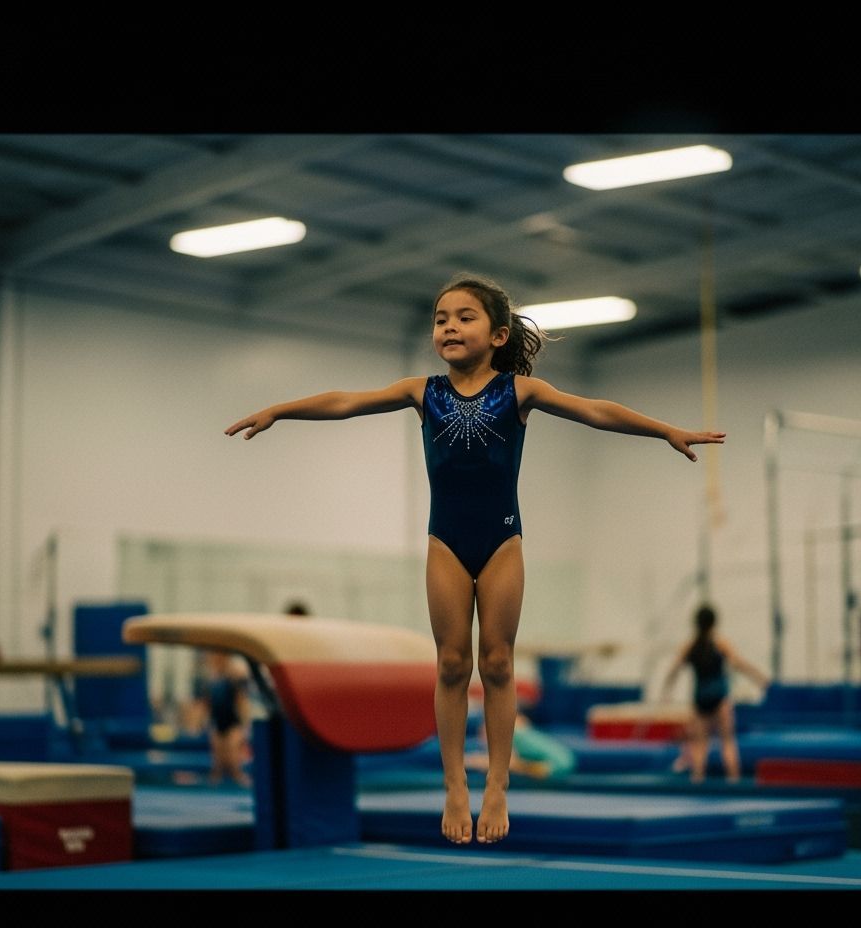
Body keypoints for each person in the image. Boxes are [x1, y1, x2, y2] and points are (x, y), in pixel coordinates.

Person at [225, 271, 725, 844]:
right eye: (441, 319)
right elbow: (347, 401)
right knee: (450, 664)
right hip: (446, 542)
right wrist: (279, 410)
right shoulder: (423, 391)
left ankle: (498, 786)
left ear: (498, 334)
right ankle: (456, 785)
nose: (449, 327)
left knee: (500, 663)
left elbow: (595, 410)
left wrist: (665, 431)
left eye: (464, 317)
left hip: (502, 542)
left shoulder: (518, 391)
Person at [661, 604, 769, 783]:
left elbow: (674, 670)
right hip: (720, 699)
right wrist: (759, 678)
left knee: (700, 745)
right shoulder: (720, 644)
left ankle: (698, 779)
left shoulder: (690, 646)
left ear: (696, 624)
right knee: (727, 742)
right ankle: (733, 780)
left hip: (700, 700)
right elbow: (738, 663)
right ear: (714, 623)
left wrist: (667, 690)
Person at [465, 711, 576, 781]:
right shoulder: (517, 729)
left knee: (510, 767)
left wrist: (473, 761)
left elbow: (508, 764)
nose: (482, 738)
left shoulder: (514, 734)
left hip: (558, 766)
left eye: (483, 732)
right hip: (564, 760)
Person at [201, 649, 253, 787]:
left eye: (217, 657)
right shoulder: (211, 678)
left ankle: (241, 781)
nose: (213, 660)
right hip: (218, 722)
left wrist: (245, 725)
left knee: (233, 762)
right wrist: (204, 721)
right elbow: (207, 702)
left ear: (224, 657)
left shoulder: (234, 675)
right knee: (217, 766)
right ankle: (212, 790)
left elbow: (241, 701)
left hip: (232, 723)